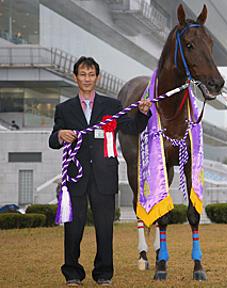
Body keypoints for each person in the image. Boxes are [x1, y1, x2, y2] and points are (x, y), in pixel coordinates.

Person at [49, 56, 152, 287]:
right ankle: (72, 273)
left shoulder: (112, 106)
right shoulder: (64, 109)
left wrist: (144, 114)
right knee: (73, 228)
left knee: (105, 228)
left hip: (105, 175)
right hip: (76, 175)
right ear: (75, 77)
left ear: (97, 77)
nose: (87, 79)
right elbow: (52, 140)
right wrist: (59, 135)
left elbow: (131, 128)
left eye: (91, 74)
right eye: (83, 74)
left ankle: (104, 274)